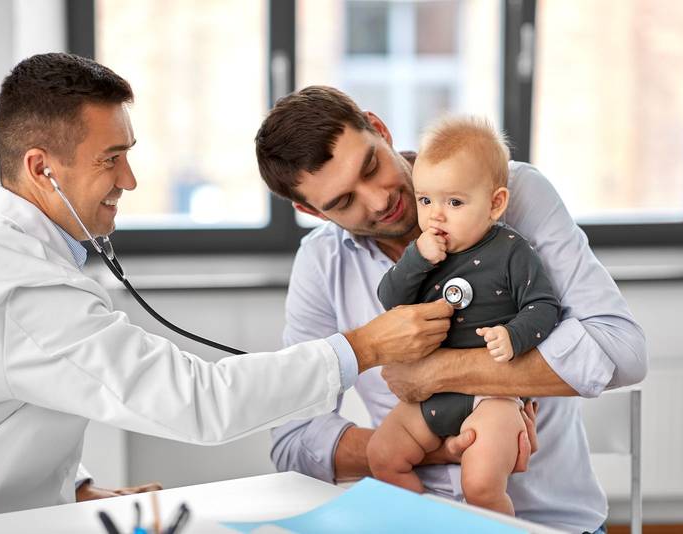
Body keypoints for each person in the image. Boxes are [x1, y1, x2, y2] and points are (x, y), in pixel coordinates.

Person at [0, 54, 452, 526]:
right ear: (40, 169)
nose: (129, 180)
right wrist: (364, 348)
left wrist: (75, 487)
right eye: (110, 159)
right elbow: (199, 402)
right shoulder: (18, 287)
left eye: (127, 153)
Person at [255, 86, 647, 533]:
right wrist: (424, 449)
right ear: (312, 211)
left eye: (371, 166)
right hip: (418, 523)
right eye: (344, 201)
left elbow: (622, 349)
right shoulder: (322, 262)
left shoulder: (511, 193)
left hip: (547, 524)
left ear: (379, 129)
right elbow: (293, 440)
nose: (379, 200)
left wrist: (438, 373)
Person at [370, 116, 561, 515]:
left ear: (495, 203)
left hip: (492, 396)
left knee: (481, 484)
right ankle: (425, 523)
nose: (435, 216)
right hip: (432, 397)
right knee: (382, 456)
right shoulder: (423, 255)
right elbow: (390, 298)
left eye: (454, 202)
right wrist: (416, 259)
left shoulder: (511, 251)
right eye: (425, 200)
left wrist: (514, 335)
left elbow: (544, 306)